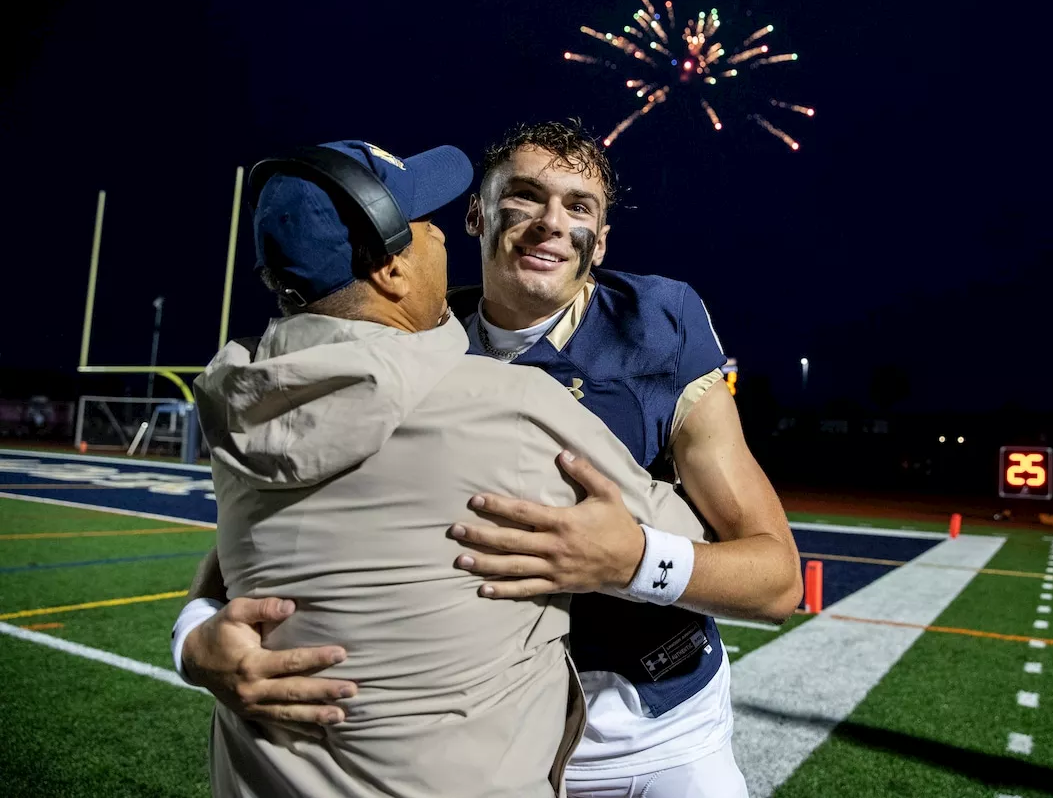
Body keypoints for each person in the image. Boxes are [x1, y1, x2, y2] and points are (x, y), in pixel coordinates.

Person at [175, 122, 802, 798]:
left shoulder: (653, 324)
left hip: (661, 717)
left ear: (604, 238)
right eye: (526, 197)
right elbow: (270, 523)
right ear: (476, 212)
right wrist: (193, 634)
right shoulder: (413, 343)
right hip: (503, 735)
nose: (551, 225)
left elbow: (774, 579)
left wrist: (630, 559)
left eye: (579, 206)